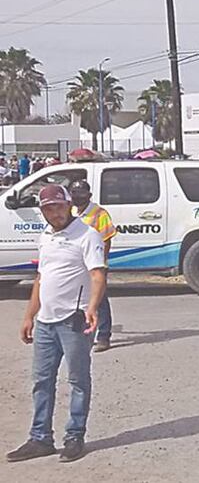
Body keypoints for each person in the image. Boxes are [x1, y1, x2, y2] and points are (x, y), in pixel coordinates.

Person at [7, 185, 105, 464]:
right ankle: (40, 438)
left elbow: (98, 275)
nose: (55, 213)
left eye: (59, 207)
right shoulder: (46, 236)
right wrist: (29, 316)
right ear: (42, 211)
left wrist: (92, 308)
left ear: (69, 205)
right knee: (42, 381)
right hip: (46, 322)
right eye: (48, 208)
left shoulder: (87, 235)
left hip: (74, 320)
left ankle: (74, 436)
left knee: (78, 380)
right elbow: (41, 278)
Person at [68, 180, 117, 353]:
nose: (77, 197)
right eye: (74, 193)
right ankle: (82, 332)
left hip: (94, 263)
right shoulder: (71, 211)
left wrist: (101, 263)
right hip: (77, 264)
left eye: (81, 193)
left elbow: (107, 240)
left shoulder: (99, 213)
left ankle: (104, 336)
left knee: (100, 299)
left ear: (89, 195)